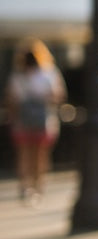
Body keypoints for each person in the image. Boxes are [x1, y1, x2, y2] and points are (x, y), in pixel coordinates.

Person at [6, 41, 66, 205]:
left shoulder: (17, 76)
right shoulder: (49, 74)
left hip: (22, 122)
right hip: (44, 120)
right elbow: (58, 96)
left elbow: (11, 100)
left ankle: (26, 186)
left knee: (25, 155)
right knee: (41, 155)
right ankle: (38, 186)